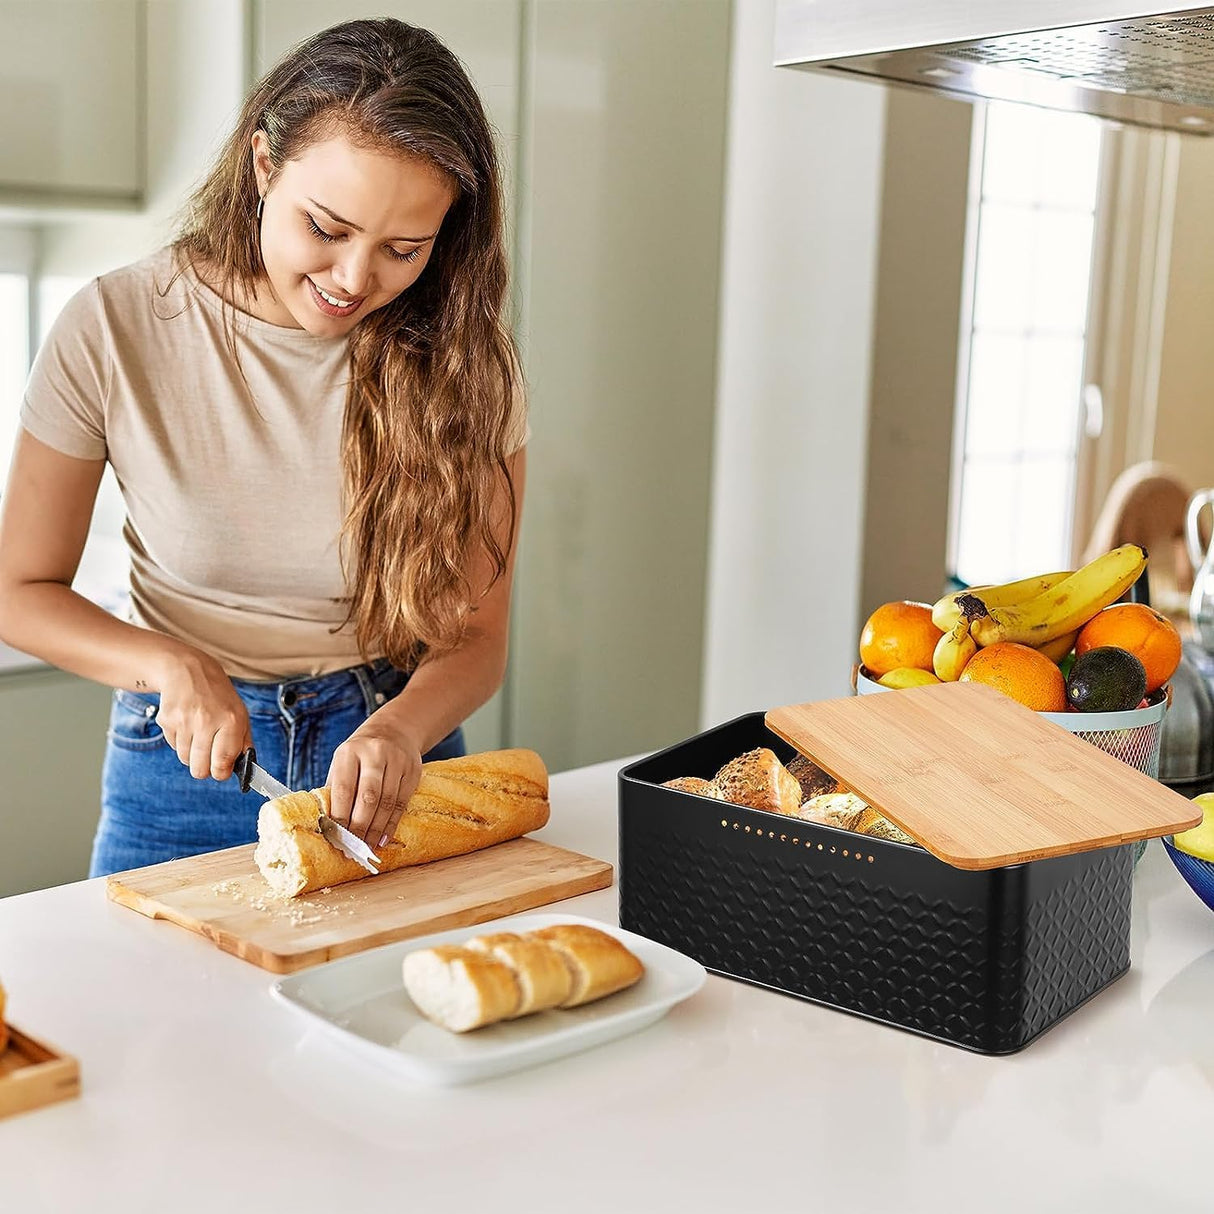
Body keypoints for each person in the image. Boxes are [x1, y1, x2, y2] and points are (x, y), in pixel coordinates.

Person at [0, 19, 528, 877]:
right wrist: (167, 664)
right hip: (179, 760)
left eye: (403, 250)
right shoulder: (116, 326)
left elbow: (476, 636)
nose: (355, 279)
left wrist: (399, 728)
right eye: (326, 228)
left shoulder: (466, 363)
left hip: (391, 758)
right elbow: (17, 591)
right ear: (262, 168)